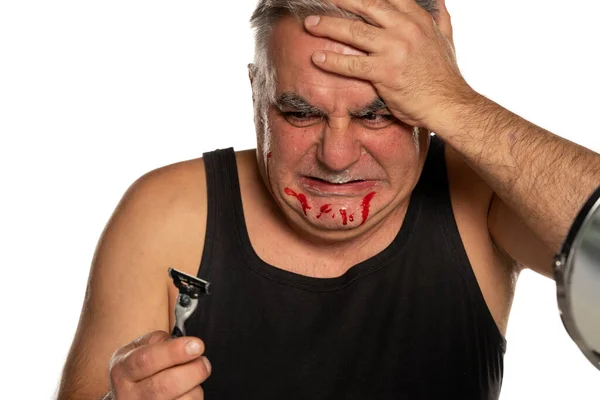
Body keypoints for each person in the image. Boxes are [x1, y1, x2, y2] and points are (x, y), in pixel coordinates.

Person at [56, 0, 600, 399]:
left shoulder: (479, 199)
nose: (336, 157)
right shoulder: (165, 212)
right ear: (256, 91)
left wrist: (456, 103)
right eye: (300, 112)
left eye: (377, 114)